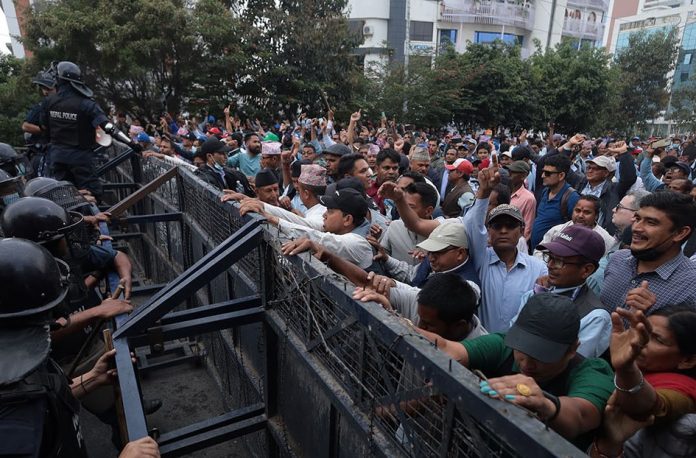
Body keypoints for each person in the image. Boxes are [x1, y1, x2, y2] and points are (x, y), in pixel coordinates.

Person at [0, 238, 161, 458]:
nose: (54, 322)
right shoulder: (12, 428)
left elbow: (47, 398)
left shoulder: (24, 368)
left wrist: (93, 377)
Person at [418, 293, 614, 448]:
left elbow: (580, 414)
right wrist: (404, 326)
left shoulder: (592, 373)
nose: (526, 364)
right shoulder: (503, 346)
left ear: (572, 349)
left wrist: (546, 405)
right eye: (522, 348)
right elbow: (448, 348)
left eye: (542, 355)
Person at [590, 305, 696, 457]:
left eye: (657, 339)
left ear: (687, 360)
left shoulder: (685, 390)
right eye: (643, 331)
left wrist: (626, 369)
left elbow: (652, 406)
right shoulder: (638, 368)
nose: (641, 340)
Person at [40, 62, 139, 199]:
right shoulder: (87, 104)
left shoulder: (49, 102)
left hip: (57, 156)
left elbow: (44, 128)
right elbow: (108, 127)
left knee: (65, 197)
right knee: (92, 195)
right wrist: (132, 144)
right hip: (80, 158)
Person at [517, 225, 611, 358]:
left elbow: (567, 362)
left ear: (586, 270)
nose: (549, 265)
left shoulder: (595, 317)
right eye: (549, 257)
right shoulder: (536, 293)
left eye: (559, 261)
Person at [601, 191, 696, 314]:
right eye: (637, 219)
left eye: (651, 222)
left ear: (680, 233)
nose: (636, 228)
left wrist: (650, 321)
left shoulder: (692, 286)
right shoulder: (617, 259)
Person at [252, 187, 374, 269]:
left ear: (347, 219)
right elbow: (302, 223)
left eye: (330, 211)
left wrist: (271, 218)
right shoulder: (339, 228)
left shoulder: (359, 243)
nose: (324, 215)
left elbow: (317, 237)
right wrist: (262, 207)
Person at [533, 196, 616, 259]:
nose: (580, 216)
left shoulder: (605, 239)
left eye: (587, 212)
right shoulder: (557, 230)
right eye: (577, 210)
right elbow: (539, 252)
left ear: (596, 216)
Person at [530, 153, 581, 248]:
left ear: (561, 175)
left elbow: (577, 229)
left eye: (547, 173)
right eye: (543, 172)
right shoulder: (545, 192)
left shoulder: (572, 198)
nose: (543, 176)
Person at [507, 160, 536, 241]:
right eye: (509, 171)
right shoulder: (505, 191)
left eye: (513, 172)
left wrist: (520, 245)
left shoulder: (528, 198)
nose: (509, 175)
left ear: (523, 176)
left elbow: (527, 227)